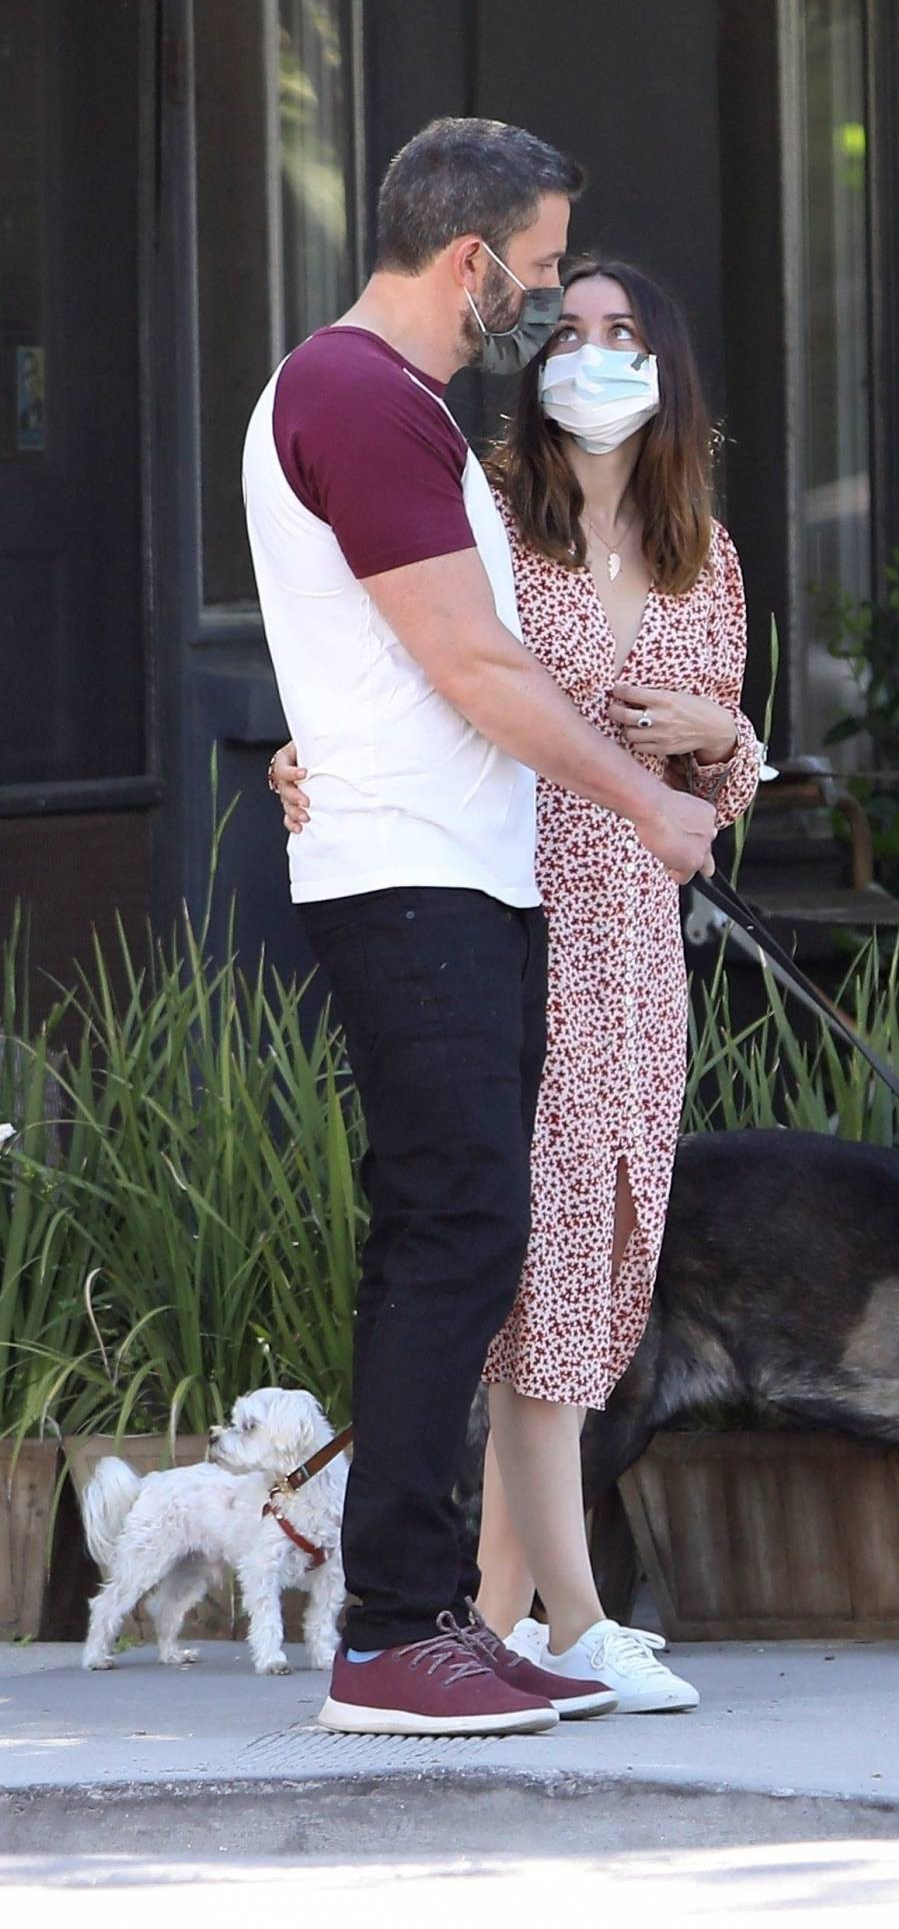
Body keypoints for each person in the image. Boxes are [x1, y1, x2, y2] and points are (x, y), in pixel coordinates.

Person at [242, 117, 717, 1739]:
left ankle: (433, 1617)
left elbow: (409, 659)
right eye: (536, 268)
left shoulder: (392, 408)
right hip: (416, 884)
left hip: (459, 878)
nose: (539, 297)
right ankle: (394, 1636)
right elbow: (470, 662)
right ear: (471, 263)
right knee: (452, 1235)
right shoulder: (357, 396)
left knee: (460, 1236)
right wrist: (648, 805)